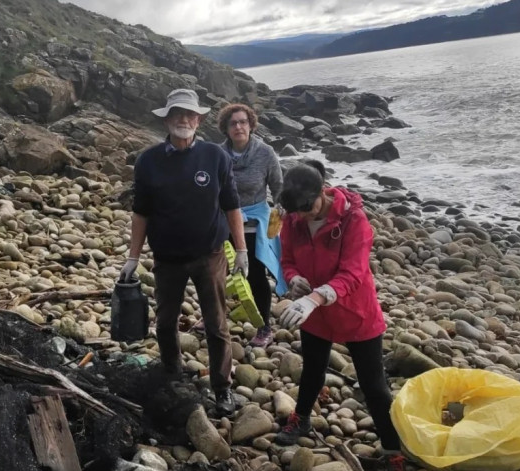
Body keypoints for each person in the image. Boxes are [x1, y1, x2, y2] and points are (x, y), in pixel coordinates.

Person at [120, 89, 248, 416]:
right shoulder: (148, 161)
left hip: (210, 255)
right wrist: (133, 257)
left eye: (190, 114)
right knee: (164, 323)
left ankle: (222, 388)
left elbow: (232, 206)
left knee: (217, 325)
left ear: (200, 119)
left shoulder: (216, 157)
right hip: (167, 258)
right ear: (166, 118)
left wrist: (242, 249)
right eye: (177, 113)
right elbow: (141, 212)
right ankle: (172, 373)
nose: (183, 120)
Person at [274, 163, 405, 470]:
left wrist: (316, 297)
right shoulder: (293, 218)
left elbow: (354, 272)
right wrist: (293, 279)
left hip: (354, 310)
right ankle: (301, 419)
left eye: (309, 208)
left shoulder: (353, 220)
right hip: (314, 309)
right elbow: (287, 258)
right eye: (298, 212)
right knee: (312, 369)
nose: (303, 216)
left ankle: (393, 451)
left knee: (373, 384)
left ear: (323, 191)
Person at [211, 103, 286, 348]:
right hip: (224, 221)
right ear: (226, 128)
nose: (239, 127)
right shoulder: (217, 154)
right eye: (233, 123)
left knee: (255, 275)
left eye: (243, 122)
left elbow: (278, 189)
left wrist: (277, 224)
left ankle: (264, 327)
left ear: (251, 125)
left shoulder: (265, 153)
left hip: (256, 222)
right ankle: (213, 317)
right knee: (215, 273)